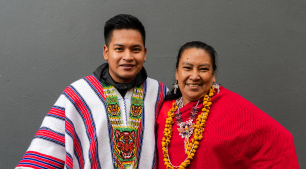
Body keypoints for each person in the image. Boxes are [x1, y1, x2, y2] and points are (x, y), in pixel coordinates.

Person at [16, 14, 167, 169]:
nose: (127, 57)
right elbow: (44, 154)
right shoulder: (78, 95)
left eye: (135, 49)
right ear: (106, 52)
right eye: (119, 49)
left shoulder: (160, 94)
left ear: (145, 53)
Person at [156, 41, 300, 169]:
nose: (194, 76)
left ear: (213, 76)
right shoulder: (163, 110)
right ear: (177, 73)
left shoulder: (232, 107)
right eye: (187, 68)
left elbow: (279, 141)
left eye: (203, 69)